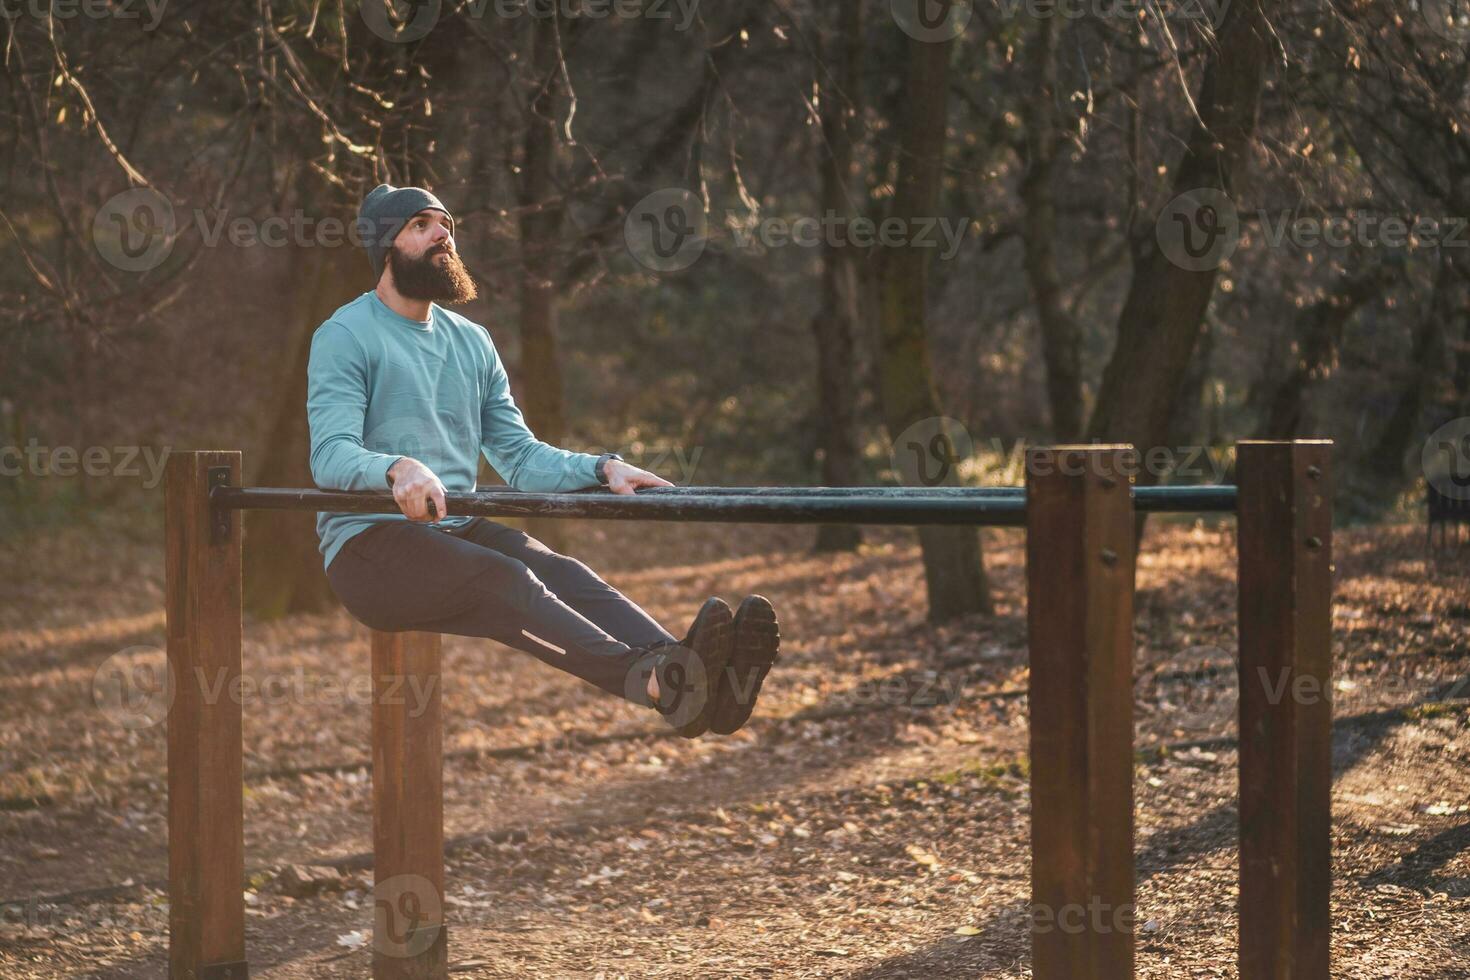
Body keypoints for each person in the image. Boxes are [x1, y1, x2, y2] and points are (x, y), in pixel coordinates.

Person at [306, 183, 779, 738]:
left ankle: (696, 682)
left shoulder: (472, 342)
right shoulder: (345, 335)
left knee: (562, 571)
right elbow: (329, 454)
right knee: (506, 578)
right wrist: (396, 468)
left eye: (447, 225)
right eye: (422, 225)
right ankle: (654, 682)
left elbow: (520, 456)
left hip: (452, 528)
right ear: (388, 246)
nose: (444, 235)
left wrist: (602, 469)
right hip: (369, 547)